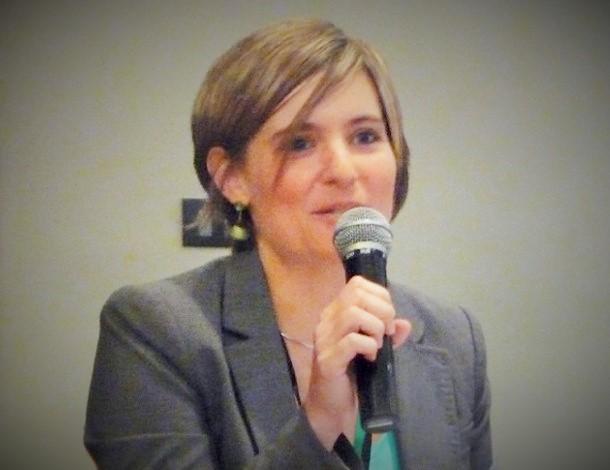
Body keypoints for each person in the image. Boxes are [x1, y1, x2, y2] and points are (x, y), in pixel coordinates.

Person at [84, 19, 492, 469]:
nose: (344, 170)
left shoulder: (454, 337)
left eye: (365, 136)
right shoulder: (155, 330)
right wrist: (318, 423)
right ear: (231, 178)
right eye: (300, 143)